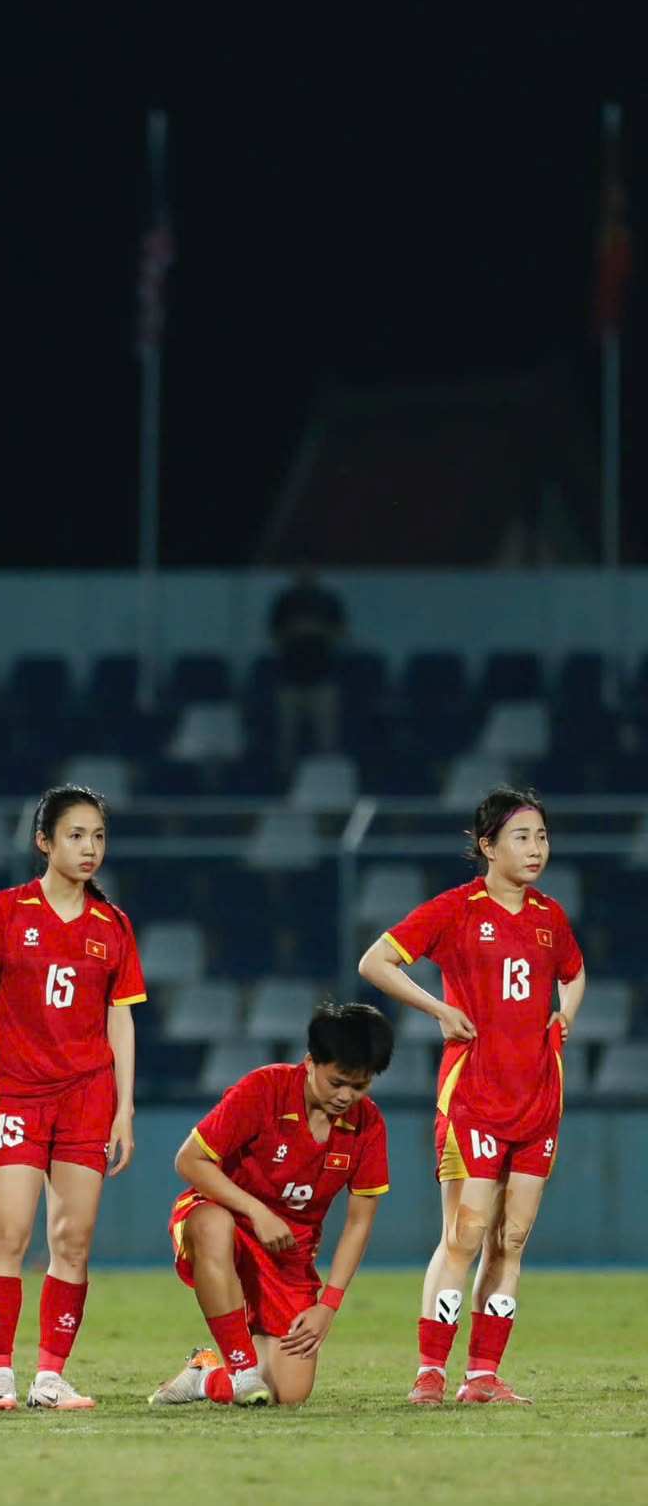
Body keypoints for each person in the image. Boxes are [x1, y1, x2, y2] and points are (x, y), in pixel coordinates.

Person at [357, 786, 587, 1405]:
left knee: (511, 1239)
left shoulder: (549, 918)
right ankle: (430, 1370)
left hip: (539, 1098)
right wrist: (438, 1009)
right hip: (476, 1097)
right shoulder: (457, 910)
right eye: (521, 837)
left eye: (541, 836)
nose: (535, 848)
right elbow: (376, 962)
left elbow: (575, 971)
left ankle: (482, 1375)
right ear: (487, 846)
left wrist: (563, 1016)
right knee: (465, 1232)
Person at [0, 784, 143, 1412]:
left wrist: (123, 1108)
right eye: (75, 835)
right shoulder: (2, 913)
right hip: (14, 1092)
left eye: (97, 836)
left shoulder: (113, 926)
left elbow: (121, 1021)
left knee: (72, 1239)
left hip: (87, 1097)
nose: (89, 848)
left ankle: (48, 1376)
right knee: (9, 1232)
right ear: (44, 842)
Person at [149, 1003, 393, 1408]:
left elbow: (358, 1224)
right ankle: (241, 1368)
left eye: (360, 1086)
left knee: (289, 1394)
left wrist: (328, 1307)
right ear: (311, 1061)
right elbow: (188, 1160)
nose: (346, 1096)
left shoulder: (368, 1124)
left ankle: (205, 1376)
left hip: (287, 1251)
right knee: (213, 1224)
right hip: (222, 1214)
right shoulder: (265, 1089)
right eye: (337, 1082)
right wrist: (257, 1211)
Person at [268, 569, 346, 768]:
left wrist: (317, 630)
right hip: (289, 678)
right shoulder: (285, 601)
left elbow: (342, 635)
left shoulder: (328, 601)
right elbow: (273, 637)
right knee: (286, 739)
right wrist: (295, 630)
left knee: (327, 738)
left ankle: (327, 781)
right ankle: (284, 783)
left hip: (323, 678)